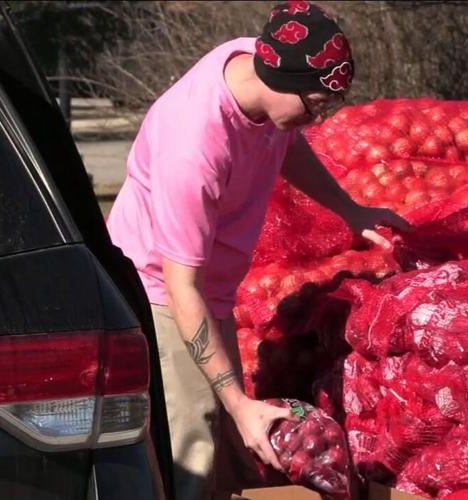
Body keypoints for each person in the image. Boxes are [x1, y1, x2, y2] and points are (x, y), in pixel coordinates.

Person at [106, 2, 409, 498]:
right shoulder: (194, 149)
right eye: (314, 105)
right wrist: (237, 404)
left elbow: (287, 147)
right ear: (282, 78)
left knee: (235, 452)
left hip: (212, 286)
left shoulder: (255, 64)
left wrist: (349, 209)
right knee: (195, 443)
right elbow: (183, 289)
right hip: (159, 292)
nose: (318, 118)